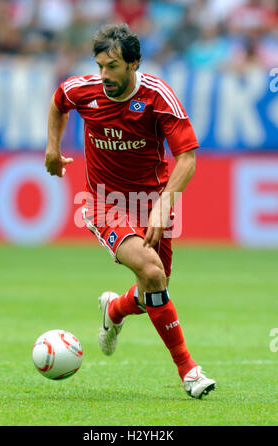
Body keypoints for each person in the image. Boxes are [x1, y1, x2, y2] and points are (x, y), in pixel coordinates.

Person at [45, 23, 216, 399]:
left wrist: (163, 207)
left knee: (155, 287)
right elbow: (60, 100)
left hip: (151, 203)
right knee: (152, 272)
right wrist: (52, 149)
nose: (104, 75)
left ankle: (115, 309)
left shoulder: (157, 97)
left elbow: (187, 157)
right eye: (101, 65)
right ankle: (189, 371)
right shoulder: (84, 89)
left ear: (134, 63)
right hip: (103, 201)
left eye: (114, 67)